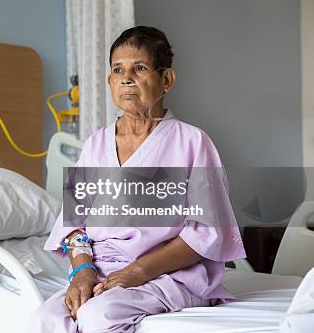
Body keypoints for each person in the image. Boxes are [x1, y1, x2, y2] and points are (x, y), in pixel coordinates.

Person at [28, 26, 246, 333]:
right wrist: (83, 271)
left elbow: (205, 235)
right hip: (102, 272)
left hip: (169, 273)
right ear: (110, 81)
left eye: (139, 68)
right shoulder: (95, 145)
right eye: (118, 70)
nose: (127, 78)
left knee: (99, 317)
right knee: (45, 320)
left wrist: (137, 271)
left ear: (166, 79)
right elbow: (73, 224)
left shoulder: (192, 143)